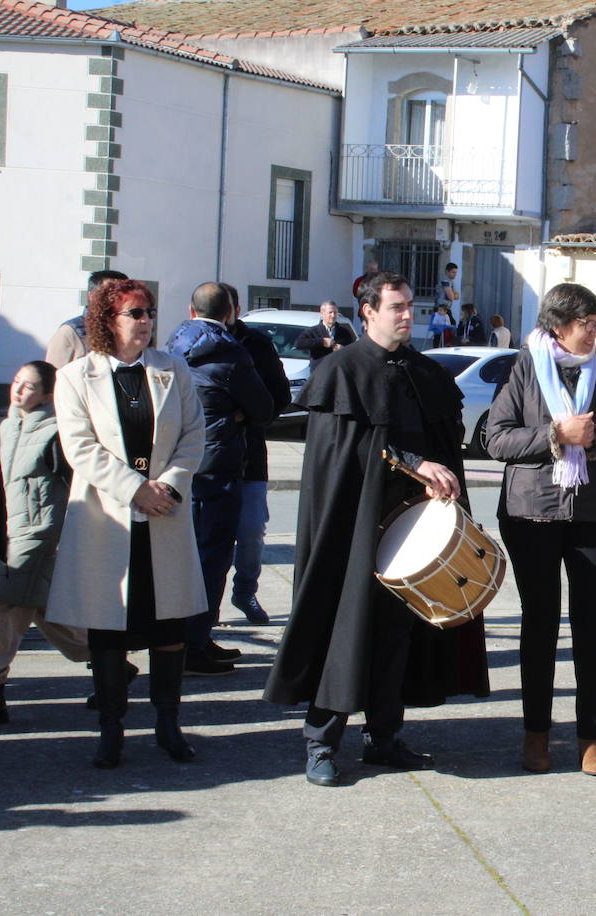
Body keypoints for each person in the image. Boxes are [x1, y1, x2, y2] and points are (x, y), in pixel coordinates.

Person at [264, 272, 489, 787]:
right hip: (353, 528)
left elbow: (445, 443)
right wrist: (414, 463)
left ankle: (384, 738)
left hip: (412, 531)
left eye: (410, 305)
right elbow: (341, 457)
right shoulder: (341, 372)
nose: (407, 314)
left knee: (397, 636)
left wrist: (438, 479)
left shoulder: (427, 374)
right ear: (366, 312)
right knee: (344, 631)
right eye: (396, 307)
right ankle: (321, 742)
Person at [46, 279, 208, 768]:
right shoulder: (77, 376)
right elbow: (80, 446)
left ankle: (168, 725)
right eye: (135, 312)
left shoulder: (171, 369)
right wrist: (135, 488)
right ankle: (111, 728)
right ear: (107, 320)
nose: (145, 322)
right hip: (108, 520)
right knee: (109, 630)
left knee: (169, 627)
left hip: (165, 516)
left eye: (150, 312)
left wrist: (170, 487)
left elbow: (195, 433)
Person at [486, 283, 596, 776]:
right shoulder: (526, 367)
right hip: (532, 511)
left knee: (590, 624)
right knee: (540, 622)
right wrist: (556, 435)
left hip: (594, 512)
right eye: (587, 324)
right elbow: (496, 438)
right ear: (558, 327)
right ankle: (537, 735)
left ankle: (591, 737)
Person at [165, 283, 275, 675]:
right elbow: (263, 407)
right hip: (220, 466)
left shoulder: (170, 347)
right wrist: (240, 414)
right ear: (231, 312)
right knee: (213, 559)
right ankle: (196, 644)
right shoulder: (231, 354)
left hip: (176, 467)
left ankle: (177, 641)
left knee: (180, 556)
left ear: (190, 312)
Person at [0, 361, 90, 724]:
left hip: (36, 534)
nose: (18, 391)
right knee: (47, 611)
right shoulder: (8, 424)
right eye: (17, 382)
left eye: (29, 386)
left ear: (48, 394)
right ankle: (109, 663)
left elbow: (75, 487)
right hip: (6, 529)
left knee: (1, 613)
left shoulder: (57, 432)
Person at [223, 283, 291, 626]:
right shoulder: (186, 344)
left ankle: (245, 589)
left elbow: (280, 397)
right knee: (208, 537)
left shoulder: (257, 345)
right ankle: (204, 607)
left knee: (251, 531)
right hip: (205, 460)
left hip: (250, 456)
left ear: (236, 309)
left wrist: (251, 413)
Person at [45, 269, 128, 368]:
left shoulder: (131, 330)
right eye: (110, 293)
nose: (117, 299)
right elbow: (53, 378)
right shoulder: (71, 332)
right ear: (92, 296)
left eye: (124, 294)